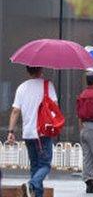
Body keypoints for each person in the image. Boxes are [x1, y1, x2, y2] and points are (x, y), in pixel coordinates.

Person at [5, 66, 58, 197]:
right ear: (40, 70)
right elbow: (55, 107)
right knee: (45, 165)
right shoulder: (47, 85)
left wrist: (11, 131)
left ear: (28, 71)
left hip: (28, 133)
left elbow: (15, 111)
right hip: (43, 132)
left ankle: (35, 193)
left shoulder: (21, 87)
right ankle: (32, 184)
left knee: (35, 166)